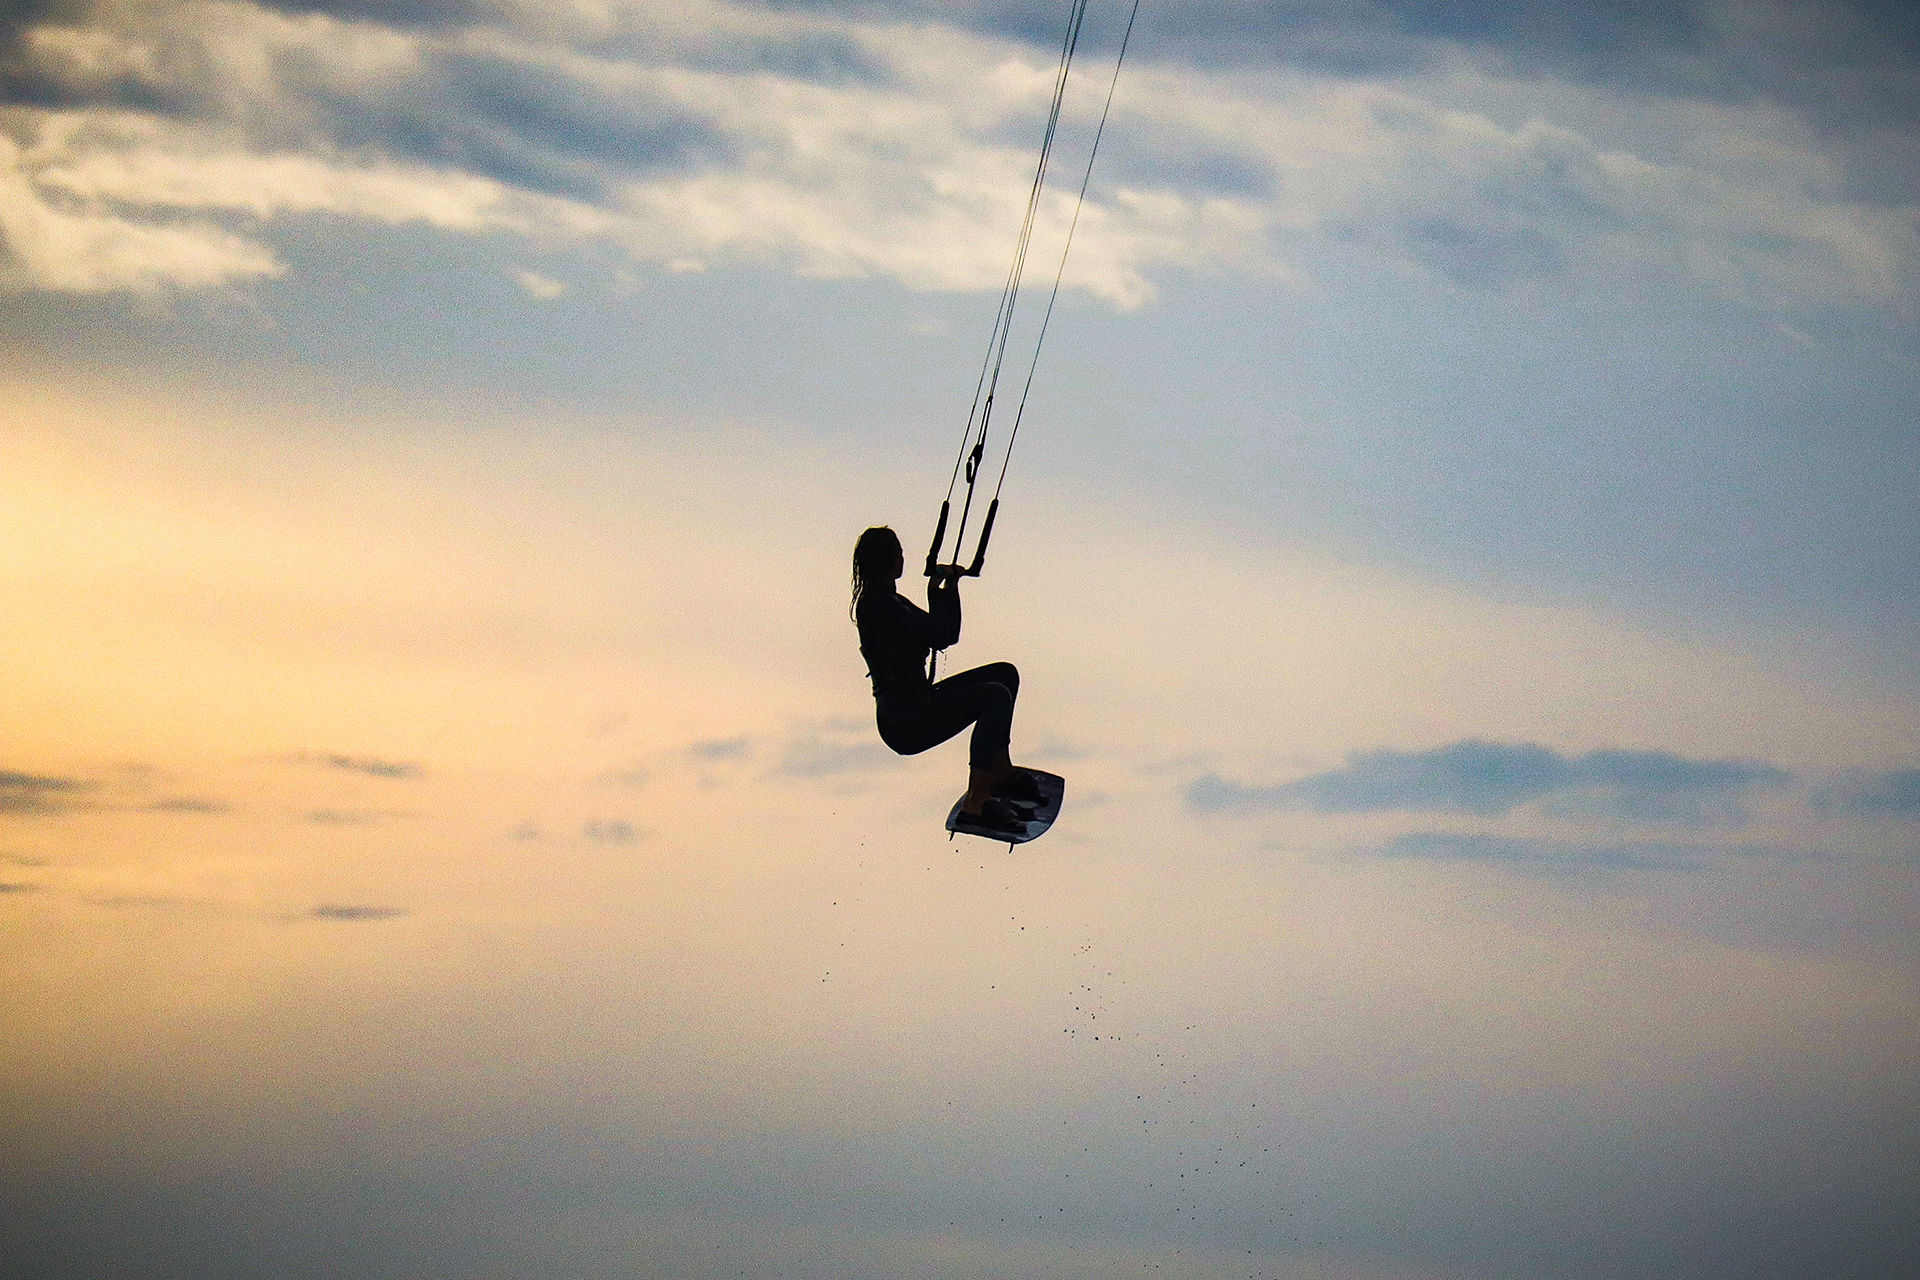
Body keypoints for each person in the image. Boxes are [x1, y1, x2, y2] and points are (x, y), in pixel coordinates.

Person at [851, 525, 1042, 832]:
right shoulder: (878, 604)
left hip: (920, 703)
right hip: (905, 721)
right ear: (891, 561)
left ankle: (999, 772)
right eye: (900, 554)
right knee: (996, 696)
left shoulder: (892, 601)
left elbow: (947, 634)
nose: (903, 559)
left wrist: (947, 591)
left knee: (1005, 675)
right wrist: (936, 593)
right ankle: (977, 800)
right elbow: (938, 633)